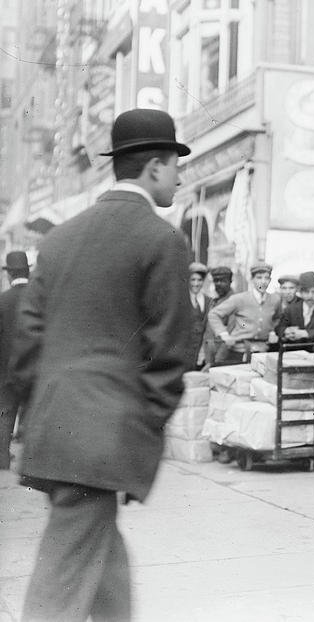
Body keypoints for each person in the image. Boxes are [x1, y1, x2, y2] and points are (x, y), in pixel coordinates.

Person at [11, 108, 194, 619]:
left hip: (57, 427)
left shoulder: (58, 239)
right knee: (58, 587)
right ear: (154, 168)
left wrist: (45, 407)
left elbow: (27, 344)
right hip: (104, 438)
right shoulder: (162, 240)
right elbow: (171, 351)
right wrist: (140, 426)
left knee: (101, 560)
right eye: (175, 163)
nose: (180, 175)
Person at [207, 262, 282, 365]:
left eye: (266, 278)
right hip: (239, 351)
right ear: (252, 280)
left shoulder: (275, 300)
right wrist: (224, 334)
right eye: (259, 278)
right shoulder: (240, 299)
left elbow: (277, 318)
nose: (263, 282)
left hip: (262, 351)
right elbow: (214, 314)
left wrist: (272, 331)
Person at [0, 251, 30, 469]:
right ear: (28, 271)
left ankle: (2, 458)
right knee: (33, 412)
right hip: (33, 369)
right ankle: (32, 465)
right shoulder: (39, 297)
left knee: (5, 414)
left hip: (6, 370)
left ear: (10, 275)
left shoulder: (2, 301)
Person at [278, 271, 314, 350]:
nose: (310, 296)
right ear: (300, 292)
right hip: (294, 353)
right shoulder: (290, 309)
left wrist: (305, 333)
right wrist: (286, 332)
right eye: (306, 292)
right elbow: (280, 327)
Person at [203, 266, 237, 368]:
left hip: (221, 358)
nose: (218, 284)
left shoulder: (234, 301)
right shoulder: (215, 301)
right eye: (216, 281)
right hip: (209, 354)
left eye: (222, 281)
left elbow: (231, 333)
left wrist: (217, 362)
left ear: (230, 281)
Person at [187, 262, 212, 370]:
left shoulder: (209, 301)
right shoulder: (181, 301)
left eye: (200, 280)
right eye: (193, 280)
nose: (196, 284)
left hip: (201, 353)